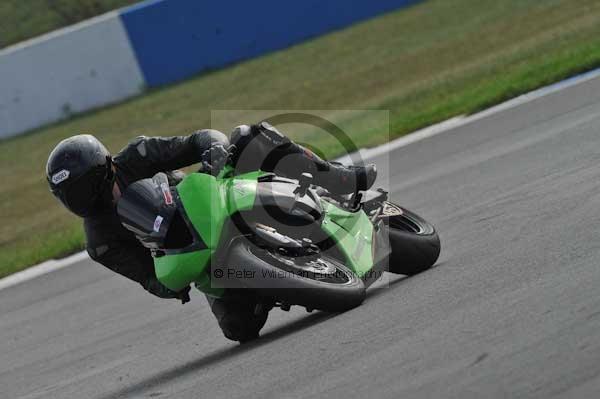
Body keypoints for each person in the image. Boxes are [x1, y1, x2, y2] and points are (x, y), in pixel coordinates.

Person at [45, 122, 377, 342]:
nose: (84, 200)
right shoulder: (100, 242)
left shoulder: (137, 155)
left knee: (248, 136)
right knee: (239, 329)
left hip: (210, 197)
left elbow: (197, 140)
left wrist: (214, 150)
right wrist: (171, 286)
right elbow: (148, 278)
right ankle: (280, 280)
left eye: (86, 187)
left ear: (105, 168)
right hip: (196, 254)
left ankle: (335, 176)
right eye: (72, 196)